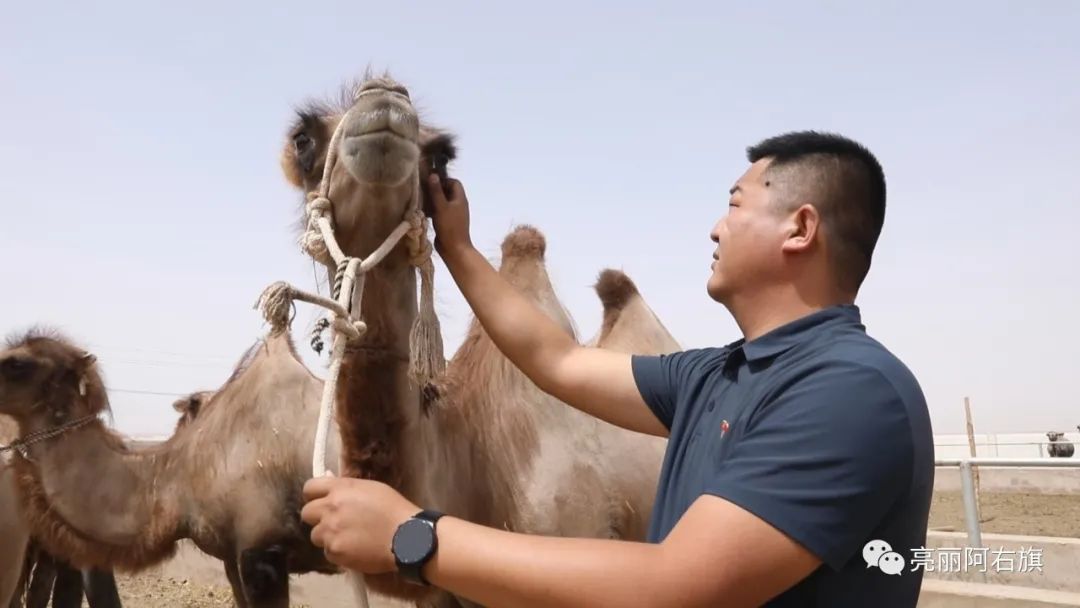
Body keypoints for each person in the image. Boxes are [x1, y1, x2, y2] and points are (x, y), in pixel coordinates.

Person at [300, 130, 935, 607]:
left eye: (736, 205)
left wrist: (414, 536)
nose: (716, 228)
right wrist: (458, 247)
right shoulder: (719, 376)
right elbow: (559, 360)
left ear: (799, 229)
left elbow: (678, 585)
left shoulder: (850, 392)